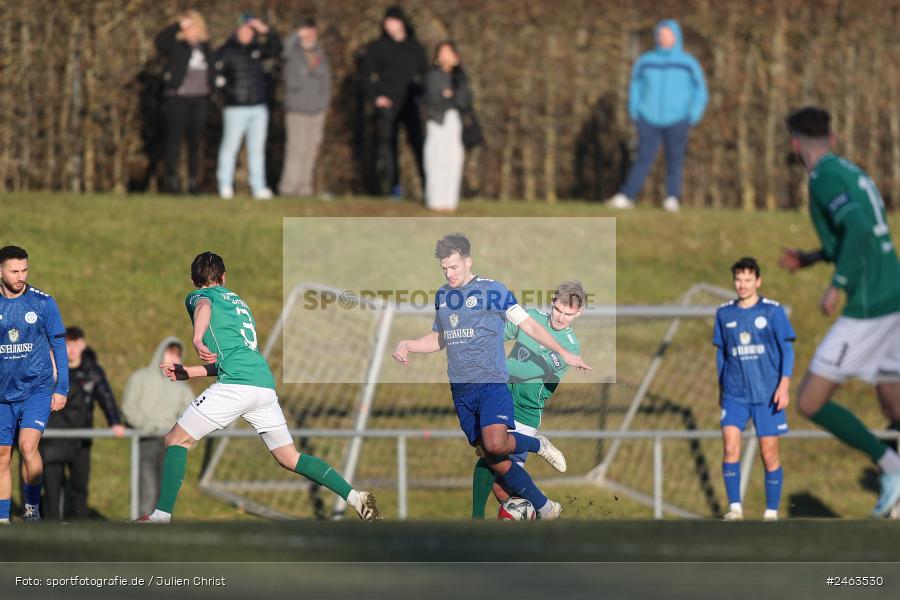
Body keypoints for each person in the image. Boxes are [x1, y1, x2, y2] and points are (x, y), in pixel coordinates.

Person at [137, 252, 379, 523]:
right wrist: (190, 372)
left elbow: (204, 304)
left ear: (194, 280)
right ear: (224, 276)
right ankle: (355, 496)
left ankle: (160, 516)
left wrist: (196, 338)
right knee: (289, 457)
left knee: (175, 440)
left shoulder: (199, 296)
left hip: (236, 386)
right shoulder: (240, 303)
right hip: (262, 386)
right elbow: (232, 357)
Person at [392, 234, 591, 520]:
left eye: (454, 268)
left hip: (522, 407)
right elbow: (453, 336)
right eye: (444, 269)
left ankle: (535, 455)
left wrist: (488, 359)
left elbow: (528, 363)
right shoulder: (444, 297)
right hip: (468, 388)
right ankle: (538, 511)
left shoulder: (569, 346)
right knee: (493, 463)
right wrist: (409, 343)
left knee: (496, 451)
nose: (560, 317)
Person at [779, 106, 900, 517]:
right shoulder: (848, 170)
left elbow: (860, 228)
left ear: (795, 144)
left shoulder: (824, 178)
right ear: (830, 138)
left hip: (869, 305)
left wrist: (839, 284)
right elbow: (852, 231)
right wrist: (812, 258)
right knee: (893, 404)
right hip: (892, 292)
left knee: (810, 401)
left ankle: (891, 468)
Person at [471, 281, 585, 519]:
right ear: (553, 302)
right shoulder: (531, 318)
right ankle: (484, 517)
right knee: (490, 455)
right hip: (501, 396)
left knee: (502, 480)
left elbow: (528, 370)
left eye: (569, 314)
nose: (561, 318)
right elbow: (499, 335)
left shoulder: (569, 347)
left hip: (526, 410)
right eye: (559, 310)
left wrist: (494, 365)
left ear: (579, 313)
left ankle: (539, 510)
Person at [713, 258, 795, 522]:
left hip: (767, 394)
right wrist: (721, 387)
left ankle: (771, 512)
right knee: (729, 448)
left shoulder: (772, 311)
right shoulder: (724, 313)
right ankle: (735, 508)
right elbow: (721, 354)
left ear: (758, 281)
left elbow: (787, 350)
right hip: (735, 394)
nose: (742, 285)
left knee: (769, 454)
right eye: (738, 280)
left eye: (748, 280)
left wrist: (784, 385)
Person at [607, 19, 707, 212]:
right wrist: (634, 110)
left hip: (679, 118)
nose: (663, 38)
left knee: (674, 159)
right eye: (660, 34)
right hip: (648, 117)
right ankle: (627, 196)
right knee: (643, 157)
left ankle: (672, 198)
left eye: (667, 34)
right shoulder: (645, 61)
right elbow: (636, 87)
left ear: (676, 37)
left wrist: (693, 114)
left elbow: (700, 91)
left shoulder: (688, 63)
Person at [0, 246, 69, 524]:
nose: (21, 276)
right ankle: (3, 517)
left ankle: (31, 507)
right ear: (0, 271)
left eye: (24, 270)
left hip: (36, 389)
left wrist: (61, 387)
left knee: (28, 446)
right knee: (2, 455)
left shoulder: (42, 302)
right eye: (14, 271)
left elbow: (59, 344)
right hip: (3, 394)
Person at [40, 327, 126, 520]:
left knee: (79, 486)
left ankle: (78, 524)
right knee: (52, 488)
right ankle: (49, 527)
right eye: (68, 344)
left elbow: (105, 396)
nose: (72, 349)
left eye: (76, 344)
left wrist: (114, 422)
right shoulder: (49, 370)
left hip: (80, 440)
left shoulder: (92, 370)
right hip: (52, 439)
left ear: (83, 345)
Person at [360, 5, 428, 199]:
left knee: (419, 145)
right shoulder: (378, 47)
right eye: (387, 22)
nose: (389, 26)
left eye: (393, 21)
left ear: (402, 22)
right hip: (388, 106)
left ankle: (428, 186)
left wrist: (423, 96)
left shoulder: (415, 47)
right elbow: (365, 76)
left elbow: (426, 76)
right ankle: (393, 187)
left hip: (411, 104)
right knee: (388, 147)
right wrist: (376, 97)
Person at [122, 337, 194, 517]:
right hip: (144, 440)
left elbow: (192, 418)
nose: (173, 358)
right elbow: (128, 408)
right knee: (146, 490)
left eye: (177, 355)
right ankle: (143, 530)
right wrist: (149, 426)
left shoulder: (183, 389)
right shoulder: (140, 378)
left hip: (170, 445)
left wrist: (183, 440)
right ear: (161, 352)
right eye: (170, 352)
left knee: (166, 491)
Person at [212, 14, 281, 200]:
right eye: (243, 30)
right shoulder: (226, 51)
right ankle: (225, 185)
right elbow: (215, 76)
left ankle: (258, 186)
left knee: (257, 150)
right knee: (230, 148)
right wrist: (227, 92)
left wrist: (265, 29)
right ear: (236, 32)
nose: (246, 34)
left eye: (250, 31)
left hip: (259, 107)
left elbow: (277, 48)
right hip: (235, 107)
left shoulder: (258, 50)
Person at [155, 10, 212, 195]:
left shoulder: (206, 47)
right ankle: (171, 181)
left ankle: (194, 181)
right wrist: (177, 25)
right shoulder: (176, 46)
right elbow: (159, 41)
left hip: (200, 99)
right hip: (178, 98)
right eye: (187, 28)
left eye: (193, 26)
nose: (190, 31)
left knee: (195, 142)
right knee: (174, 140)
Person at [278, 17, 332, 198]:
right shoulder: (292, 52)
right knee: (295, 149)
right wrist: (296, 35)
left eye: (312, 31)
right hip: (297, 108)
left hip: (317, 110)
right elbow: (282, 50)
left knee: (311, 149)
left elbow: (327, 82)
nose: (310, 35)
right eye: (306, 31)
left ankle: (304, 187)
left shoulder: (320, 55)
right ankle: (288, 187)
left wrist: (324, 105)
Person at [423, 41, 473, 212]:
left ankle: (450, 201)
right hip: (437, 121)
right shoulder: (432, 76)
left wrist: (450, 95)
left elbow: (465, 99)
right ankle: (435, 200)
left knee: (453, 160)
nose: (445, 56)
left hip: (455, 121)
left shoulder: (461, 77)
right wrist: (447, 96)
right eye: (442, 52)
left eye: (448, 52)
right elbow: (431, 98)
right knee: (436, 159)